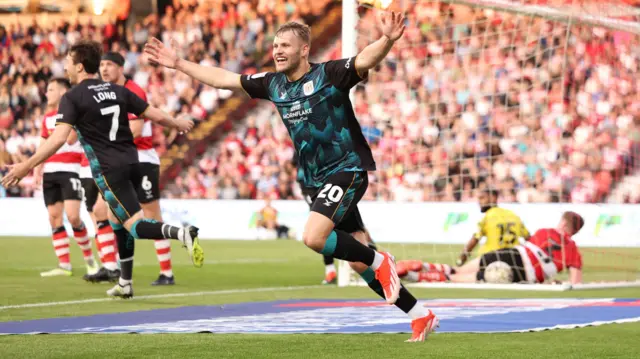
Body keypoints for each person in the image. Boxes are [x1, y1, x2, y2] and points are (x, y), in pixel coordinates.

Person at [144, 13, 438, 341]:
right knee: (357, 261)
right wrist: (180, 64)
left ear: (304, 50)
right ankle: (419, 314)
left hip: (347, 170)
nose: (277, 50)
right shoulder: (273, 84)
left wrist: (386, 40)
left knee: (314, 237)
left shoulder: (329, 74)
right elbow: (224, 79)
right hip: (319, 181)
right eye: (275, 45)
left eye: (285, 45)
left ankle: (381, 260)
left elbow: (364, 59)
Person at [2, 40, 204, 299]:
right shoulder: (115, 90)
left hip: (109, 169)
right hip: (133, 162)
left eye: (67, 61)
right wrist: (177, 122)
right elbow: (153, 114)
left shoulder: (73, 97)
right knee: (114, 219)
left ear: (78, 66)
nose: (64, 65)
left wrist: (26, 166)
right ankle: (125, 283)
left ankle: (182, 233)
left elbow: (58, 138)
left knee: (134, 225)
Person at [92, 51, 175, 286]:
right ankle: (110, 267)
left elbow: (136, 130)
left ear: (121, 68)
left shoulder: (133, 90)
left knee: (151, 214)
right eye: (102, 65)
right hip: (119, 160)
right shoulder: (103, 93)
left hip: (141, 159)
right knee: (103, 210)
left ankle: (167, 272)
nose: (104, 69)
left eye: (109, 65)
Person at [397, 211, 584, 285]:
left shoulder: (545, 231)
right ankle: (413, 276)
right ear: (575, 231)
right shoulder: (574, 252)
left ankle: (422, 265)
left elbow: (531, 243)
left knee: (458, 269)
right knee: (455, 278)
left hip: (512, 253)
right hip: (523, 273)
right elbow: (575, 284)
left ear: (562, 222)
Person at [35, 78, 99, 277]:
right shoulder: (46, 118)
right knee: (54, 217)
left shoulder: (72, 113)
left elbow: (70, 138)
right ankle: (64, 265)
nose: (47, 93)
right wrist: (37, 169)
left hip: (71, 170)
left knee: (73, 216)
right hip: (51, 171)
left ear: (62, 92)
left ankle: (90, 260)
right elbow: (43, 144)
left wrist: (60, 126)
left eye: (51, 89)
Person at [447, 189, 530, 278]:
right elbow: (528, 238)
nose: (479, 202)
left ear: (493, 198)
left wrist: (461, 259)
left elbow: (474, 240)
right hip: (513, 261)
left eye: (482, 198)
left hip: (490, 259)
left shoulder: (488, 217)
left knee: (456, 273)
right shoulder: (513, 215)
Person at [80, 154, 121, 283]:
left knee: (104, 214)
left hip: (106, 165)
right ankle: (109, 265)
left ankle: (112, 265)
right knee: (98, 219)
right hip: (87, 168)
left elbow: (69, 139)